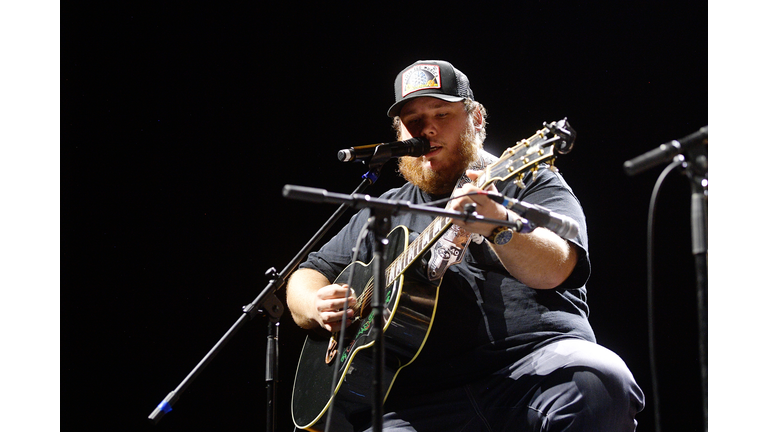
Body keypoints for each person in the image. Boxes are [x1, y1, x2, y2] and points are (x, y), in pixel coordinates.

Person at [286, 60, 644, 431]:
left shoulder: (530, 179)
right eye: (413, 120)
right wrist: (316, 304)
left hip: (535, 367)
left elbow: (560, 266)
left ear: (476, 119)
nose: (427, 129)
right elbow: (307, 274)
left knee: (599, 381)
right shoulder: (385, 209)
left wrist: (499, 226)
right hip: (421, 396)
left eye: (442, 113)